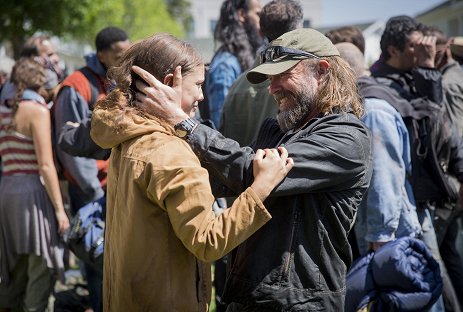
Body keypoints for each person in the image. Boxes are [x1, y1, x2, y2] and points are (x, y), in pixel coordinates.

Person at [133, 28, 373, 311]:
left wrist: (184, 124)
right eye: (270, 78)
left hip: (302, 303)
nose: (272, 88)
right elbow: (231, 180)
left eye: (283, 75)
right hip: (246, 295)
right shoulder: (276, 129)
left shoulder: (347, 138)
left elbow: (252, 173)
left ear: (321, 71)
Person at [89, 32, 293, 311]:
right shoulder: (169, 152)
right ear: (170, 83)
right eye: (197, 85)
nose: (200, 95)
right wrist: (260, 189)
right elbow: (207, 240)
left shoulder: (127, 138)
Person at [370, 15, 463, 312]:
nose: (425, 50)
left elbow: (447, 131)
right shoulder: (382, 88)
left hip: (429, 197)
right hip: (409, 201)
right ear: (394, 51)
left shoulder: (412, 79)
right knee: (424, 278)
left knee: (436, 271)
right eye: (416, 45)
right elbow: (430, 131)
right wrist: (427, 70)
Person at [53, 26, 130, 312]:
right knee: (98, 259)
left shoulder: (114, 81)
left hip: (115, 185)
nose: (124, 61)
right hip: (91, 190)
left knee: (116, 260)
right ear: (101, 54)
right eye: (118, 55)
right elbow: (70, 147)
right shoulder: (76, 86)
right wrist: (95, 191)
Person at [335, 42, 422, 256]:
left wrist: (380, 235)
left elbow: (384, 175)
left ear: (343, 71)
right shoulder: (361, 103)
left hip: (387, 238)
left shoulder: (372, 111)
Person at [0, 58, 69, 312]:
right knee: (41, 263)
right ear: (39, 82)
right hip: (32, 193)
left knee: (13, 266)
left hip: (6, 190)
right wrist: (60, 211)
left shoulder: (3, 109)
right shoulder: (37, 110)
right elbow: (46, 166)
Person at [424, 26, 463, 311]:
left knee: (435, 255)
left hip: (451, 185)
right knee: (450, 252)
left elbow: (450, 134)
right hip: (455, 182)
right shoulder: (451, 77)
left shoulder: (450, 83)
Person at [220, 0, 303, 146]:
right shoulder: (301, 88)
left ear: (260, 31)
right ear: (298, 33)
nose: (273, 87)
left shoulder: (235, 87)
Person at [207, 0, 264, 128]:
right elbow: (221, 125)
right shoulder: (225, 65)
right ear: (242, 15)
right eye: (258, 14)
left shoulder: (250, 56)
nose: (262, 21)